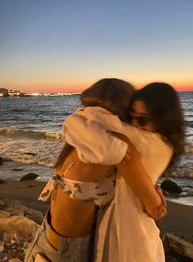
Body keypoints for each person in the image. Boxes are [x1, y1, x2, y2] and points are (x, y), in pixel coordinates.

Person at [24, 79, 167, 262]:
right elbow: (155, 208)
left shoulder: (85, 138)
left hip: (48, 236)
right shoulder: (113, 145)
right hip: (66, 252)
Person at [88, 82, 185, 262]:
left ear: (164, 119)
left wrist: (88, 111)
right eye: (130, 117)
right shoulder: (167, 144)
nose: (134, 124)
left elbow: (83, 123)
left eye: (142, 119)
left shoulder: (144, 142)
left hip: (128, 232)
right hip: (137, 228)